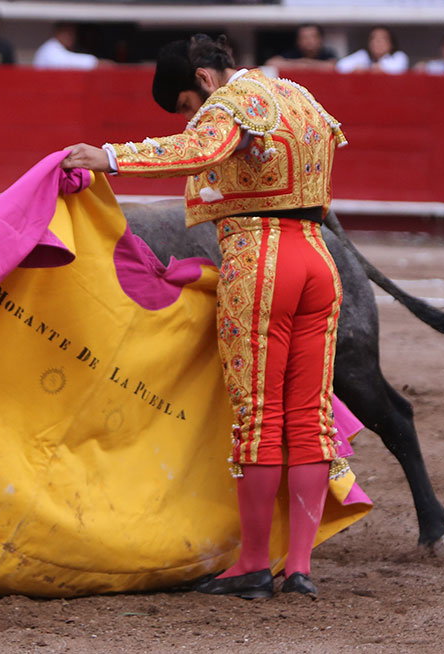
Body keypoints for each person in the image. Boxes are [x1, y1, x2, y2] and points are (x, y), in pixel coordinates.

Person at [61, 34, 351, 599]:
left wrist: (112, 157)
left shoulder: (231, 104)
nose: (191, 121)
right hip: (319, 259)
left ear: (202, 78)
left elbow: (204, 150)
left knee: (260, 418)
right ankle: (298, 568)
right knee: (310, 418)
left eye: (187, 109)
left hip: (260, 262)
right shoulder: (296, 95)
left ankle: (250, 566)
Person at [336, 26, 407, 74]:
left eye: (382, 39)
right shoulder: (363, 55)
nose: (378, 42)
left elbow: (397, 69)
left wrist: (372, 69)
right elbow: (340, 65)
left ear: (391, 43)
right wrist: (356, 69)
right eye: (374, 39)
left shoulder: (399, 56)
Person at [264, 23, 337, 70]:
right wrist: (300, 64)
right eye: (304, 38)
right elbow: (271, 63)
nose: (309, 41)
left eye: (313, 37)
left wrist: (306, 64)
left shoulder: (327, 53)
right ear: (298, 41)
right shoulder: (292, 53)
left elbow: (333, 67)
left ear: (320, 39)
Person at [33, 22, 98, 70]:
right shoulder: (49, 48)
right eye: (68, 34)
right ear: (58, 32)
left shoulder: (59, 47)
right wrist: (95, 62)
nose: (72, 38)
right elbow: (66, 62)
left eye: (73, 34)